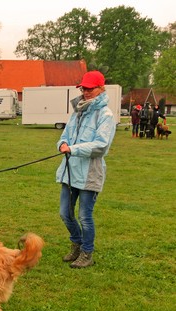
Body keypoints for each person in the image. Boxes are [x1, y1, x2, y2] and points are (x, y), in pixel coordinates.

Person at [56, 70, 116, 268]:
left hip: (90, 173)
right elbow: (65, 134)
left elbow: (101, 145)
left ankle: (87, 253)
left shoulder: (105, 115)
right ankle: (77, 243)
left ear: (100, 89)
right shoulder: (77, 112)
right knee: (65, 213)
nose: (86, 91)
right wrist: (63, 143)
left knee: (84, 216)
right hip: (70, 172)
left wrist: (72, 149)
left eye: (90, 88)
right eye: (84, 88)